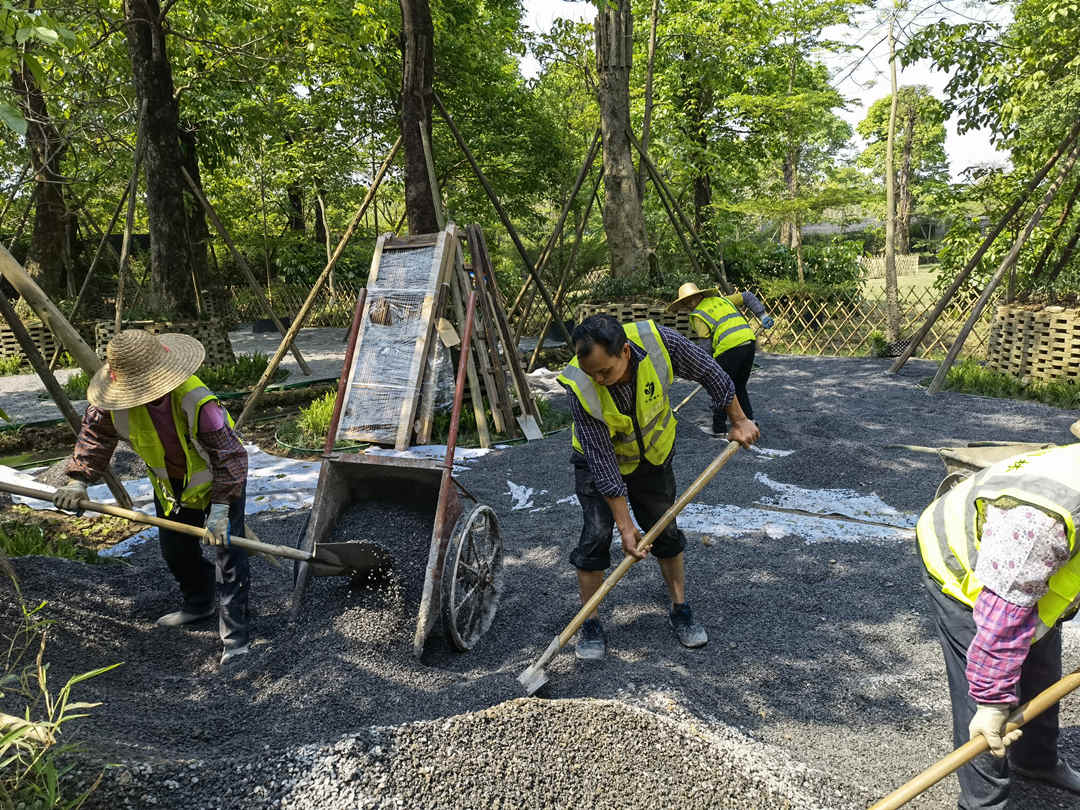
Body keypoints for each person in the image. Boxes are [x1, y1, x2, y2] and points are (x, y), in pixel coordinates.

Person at [557, 314, 760, 659]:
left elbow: (711, 372)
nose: (599, 380)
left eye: (605, 371)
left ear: (624, 351)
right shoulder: (581, 385)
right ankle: (589, 623)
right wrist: (625, 527)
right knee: (595, 537)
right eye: (592, 373)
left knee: (664, 531)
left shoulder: (658, 342)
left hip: (652, 455)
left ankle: (680, 608)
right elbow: (603, 463)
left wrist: (739, 420)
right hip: (598, 462)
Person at [53, 329, 251, 667]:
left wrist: (220, 510)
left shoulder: (196, 400)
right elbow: (94, 438)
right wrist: (78, 481)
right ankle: (199, 603)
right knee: (175, 549)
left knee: (229, 559)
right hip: (170, 487)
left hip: (220, 484)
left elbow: (230, 458)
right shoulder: (112, 402)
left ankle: (236, 640)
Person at [917, 443, 1080, 808]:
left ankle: (1035, 762)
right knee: (984, 701)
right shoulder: (1044, 523)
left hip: (1029, 576)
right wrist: (991, 701)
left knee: (1041, 667)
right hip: (965, 565)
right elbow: (1001, 622)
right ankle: (983, 802)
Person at [666, 282, 772, 435]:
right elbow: (748, 296)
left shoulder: (698, 315)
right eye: (686, 302)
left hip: (728, 348)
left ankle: (719, 428)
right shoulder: (723, 300)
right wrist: (762, 315)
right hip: (748, 343)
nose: (689, 304)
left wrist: (706, 370)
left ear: (699, 296)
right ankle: (749, 421)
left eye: (690, 300)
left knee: (719, 388)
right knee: (738, 386)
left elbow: (705, 347)